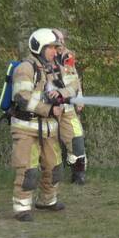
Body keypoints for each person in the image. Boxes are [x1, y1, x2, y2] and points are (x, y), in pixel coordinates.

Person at [9, 28, 71, 221]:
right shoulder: (25, 69)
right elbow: (22, 98)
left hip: (48, 129)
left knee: (54, 168)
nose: (55, 51)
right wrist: (49, 109)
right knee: (28, 170)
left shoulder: (53, 68)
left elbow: (71, 85)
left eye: (55, 47)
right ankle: (21, 208)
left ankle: (47, 200)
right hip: (26, 128)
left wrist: (61, 95)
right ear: (39, 48)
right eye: (51, 48)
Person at [51, 28, 87, 184]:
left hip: (68, 106)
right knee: (49, 142)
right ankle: (51, 176)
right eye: (58, 40)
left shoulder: (68, 56)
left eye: (63, 39)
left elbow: (74, 77)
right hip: (50, 108)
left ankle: (78, 174)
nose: (62, 43)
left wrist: (79, 96)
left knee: (77, 137)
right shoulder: (43, 58)